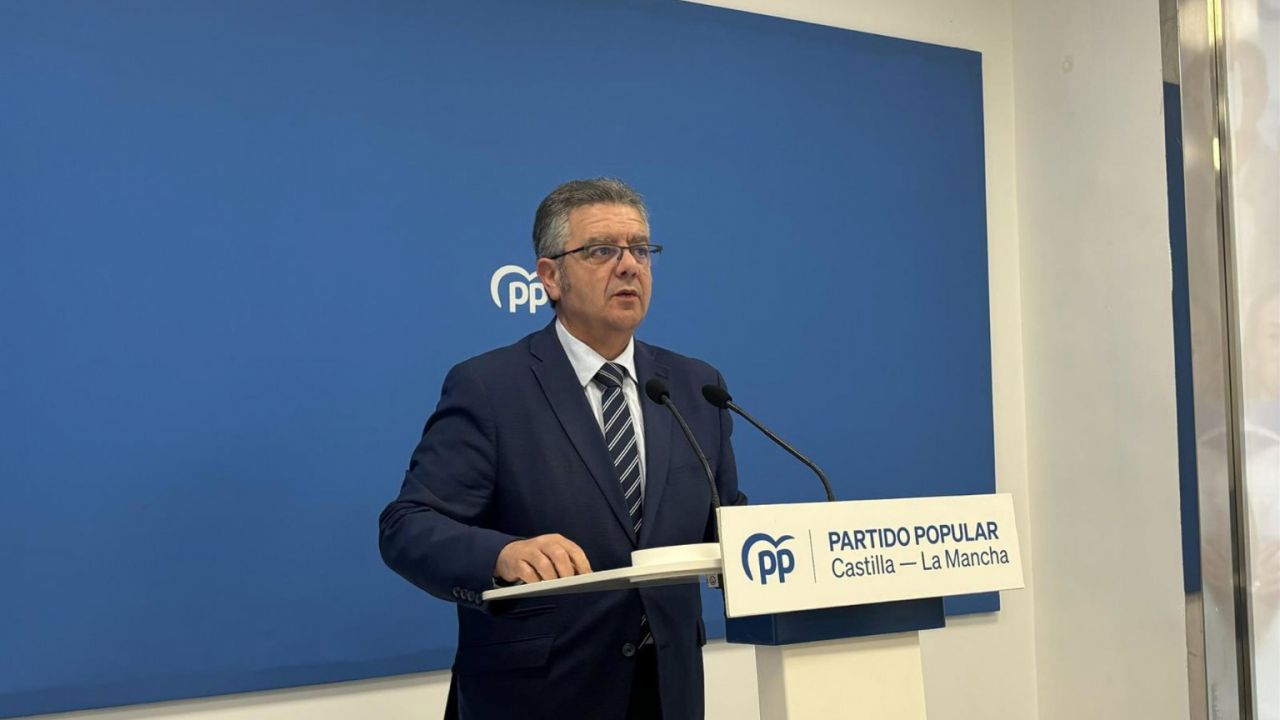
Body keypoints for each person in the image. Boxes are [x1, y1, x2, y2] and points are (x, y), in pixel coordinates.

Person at [379, 178, 744, 719]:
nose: (629, 266)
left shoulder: (695, 386)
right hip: (541, 694)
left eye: (640, 250)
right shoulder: (491, 387)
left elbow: (725, 522)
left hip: (668, 691)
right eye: (602, 251)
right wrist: (501, 556)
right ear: (550, 276)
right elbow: (407, 525)